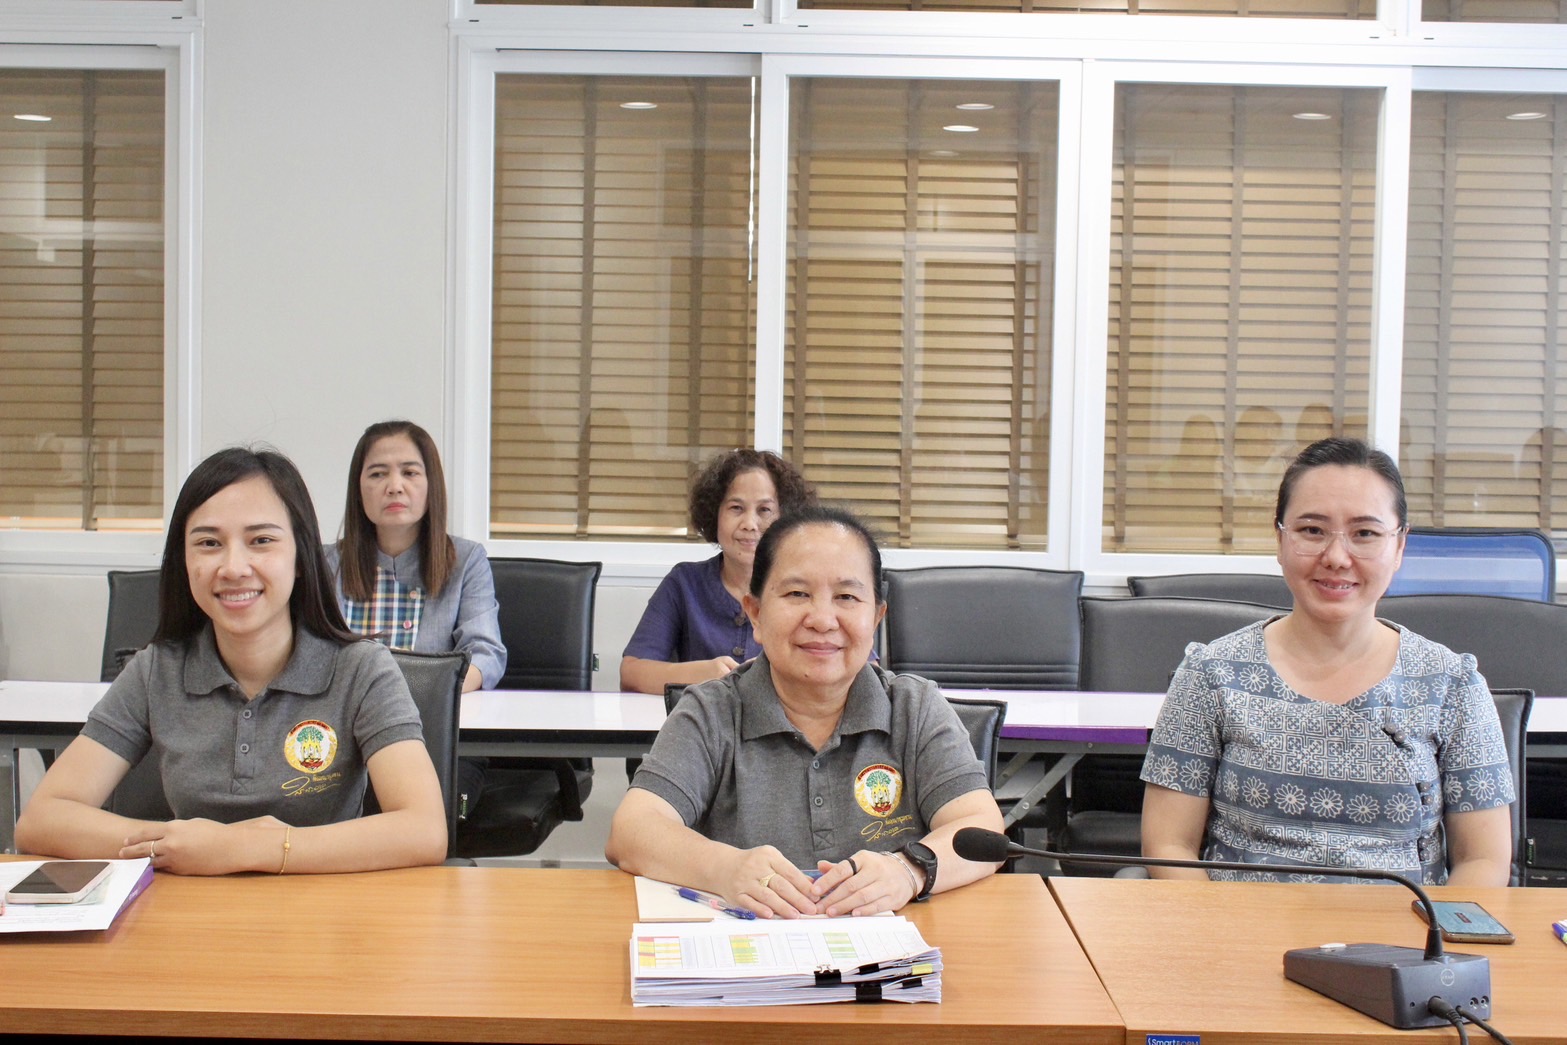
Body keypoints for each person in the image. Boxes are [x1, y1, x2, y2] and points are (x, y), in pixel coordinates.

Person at [15, 447, 448, 875]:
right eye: (208, 543)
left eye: (261, 540)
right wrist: (175, 845)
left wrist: (247, 847)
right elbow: (42, 820)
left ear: (301, 558)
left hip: (324, 922)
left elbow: (423, 829)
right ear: (184, 560)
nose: (233, 566)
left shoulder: (362, 670)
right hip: (186, 917)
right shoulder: (155, 671)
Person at [1139, 437, 1515, 887]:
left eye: (1365, 534)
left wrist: (1433, 951)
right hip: (1242, 937)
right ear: (1280, 539)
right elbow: (1168, 846)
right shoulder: (1210, 674)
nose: (1336, 557)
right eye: (1312, 531)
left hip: (1403, 944)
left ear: (1399, 547)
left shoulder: (1452, 683)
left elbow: (1484, 860)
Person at [605, 505, 1005, 917]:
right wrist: (724, 868)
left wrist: (908, 869)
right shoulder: (711, 710)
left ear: (877, 617)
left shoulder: (914, 707)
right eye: (797, 594)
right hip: (747, 956)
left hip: (890, 959)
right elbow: (632, 831)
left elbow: (982, 827)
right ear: (756, 614)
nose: (822, 619)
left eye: (847, 597)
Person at [325, 420, 505, 694]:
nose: (394, 486)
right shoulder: (326, 563)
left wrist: (430, 694)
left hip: (426, 717)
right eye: (377, 474)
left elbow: (485, 655)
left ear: (431, 485)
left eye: (410, 472)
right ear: (358, 491)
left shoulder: (466, 560)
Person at [619, 448, 815, 695]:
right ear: (715, 514)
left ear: (786, 518)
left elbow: (864, 671)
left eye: (764, 510)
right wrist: (701, 674)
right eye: (736, 508)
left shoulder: (808, 588)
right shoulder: (684, 583)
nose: (749, 524)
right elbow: (631, 673)